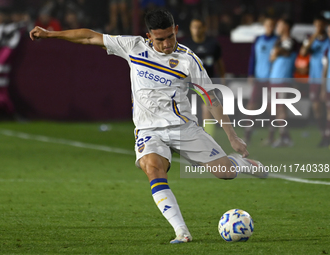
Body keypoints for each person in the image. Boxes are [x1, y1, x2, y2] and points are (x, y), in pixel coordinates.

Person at [29, 8, 267, 244]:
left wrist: (232, 137)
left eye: (170, 37)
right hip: (149, 130)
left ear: (175, 30)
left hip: (183, 128)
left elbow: (211, 99)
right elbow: (90, 36)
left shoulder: (188, 60)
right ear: (148, 36)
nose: (166, 44)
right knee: (153, 169)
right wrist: (50, 34)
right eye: (159, 39)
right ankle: (181, 232)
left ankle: (243, 164)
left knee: (224, 172)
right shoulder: (133, 47)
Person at [181, 17, 225, 137]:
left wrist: (222, 78)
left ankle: (209, 140)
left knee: (208, 111)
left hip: (207, 83)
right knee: (188, 113)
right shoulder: (185, 46)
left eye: (199, 27)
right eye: (194, 27)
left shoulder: (213, 44)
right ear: (190, 28)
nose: (196, 30)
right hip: (190, 84)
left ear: (204, 28)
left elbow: (219, 63)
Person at [245, 16, 278, 144]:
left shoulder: (278, 41)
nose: (270, 27)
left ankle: (271, 137)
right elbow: (253, 57)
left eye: (272, 25)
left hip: (272, 79)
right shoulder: (258, 40)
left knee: (272, 108)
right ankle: (247, 136)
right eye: (268, 25)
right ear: (264, 26)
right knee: (252, 106)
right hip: (259, 78)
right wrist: (250, 73)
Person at [300, 15, 329, 147]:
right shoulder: (310, 39)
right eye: (316, 25)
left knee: (327, 107)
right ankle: (324, 134)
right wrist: (313, 36)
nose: (319, 27)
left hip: (327, 79)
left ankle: (327, 135)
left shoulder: (328, 40)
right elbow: (304, 52)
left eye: (321, 25)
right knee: (317, 107)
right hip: (314, 78)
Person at [269, 17, 297, 147]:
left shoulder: (291, 42)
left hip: (284, 80)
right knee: (275, 108)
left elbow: (283, 52)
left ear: (286, 26)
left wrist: (277, 52)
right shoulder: (278, 42)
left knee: (281, 108)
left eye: (279, 25)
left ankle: (284, 138)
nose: (277, 27)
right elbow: (272, 57)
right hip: (274, 80)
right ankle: (284, 136)